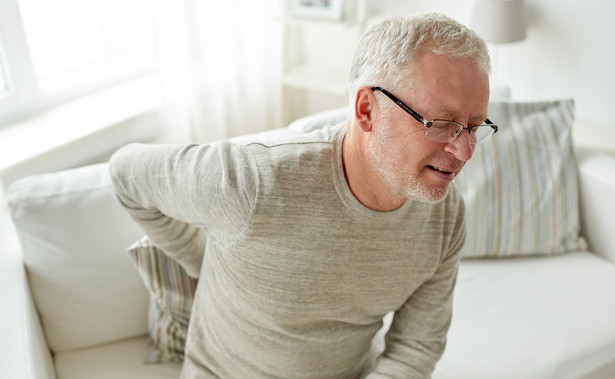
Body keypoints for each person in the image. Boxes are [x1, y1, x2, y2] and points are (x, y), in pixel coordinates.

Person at [110, 12, 494, 378]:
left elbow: (416, 347)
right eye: (441, 124)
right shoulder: (253, 182)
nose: (464, 152)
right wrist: (205, 259)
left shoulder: (445, 214)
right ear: (367, 110)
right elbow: (126, 173)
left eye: (474, 127)